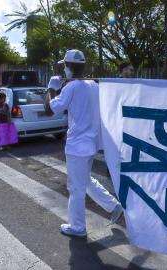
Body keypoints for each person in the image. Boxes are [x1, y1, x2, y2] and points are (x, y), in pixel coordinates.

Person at [44, 49, 123, 237]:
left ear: (70, 66)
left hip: (77, 146)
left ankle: (77, 227)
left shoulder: (71, 87)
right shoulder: (93, 85)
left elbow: (49, 109)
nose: (64, 68)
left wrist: (50, 89)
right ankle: (113, 206)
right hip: (90, 144)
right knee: (86, 181)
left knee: (76, 188)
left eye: (65, 65)